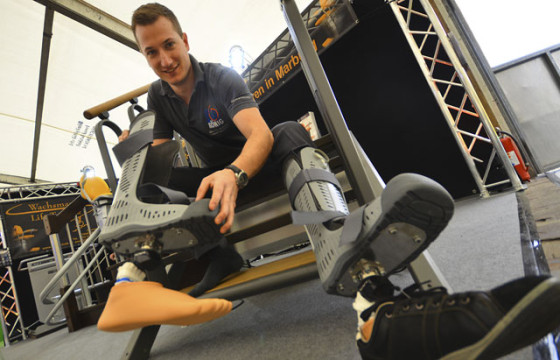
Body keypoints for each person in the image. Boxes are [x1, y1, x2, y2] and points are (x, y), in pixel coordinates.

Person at [97, 3, 560, 359]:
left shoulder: (219, 77)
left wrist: (235, 173)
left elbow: (257, 135)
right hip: (211, 184)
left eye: (169, 45)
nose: (163, 59)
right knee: (152, 170)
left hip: (252, 168)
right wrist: (136, 157)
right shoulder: (157, 96)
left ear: (184, 40)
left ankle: (375, 308)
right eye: (151, 51)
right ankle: (131, 280)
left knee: (287, 131)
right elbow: (159, 159)